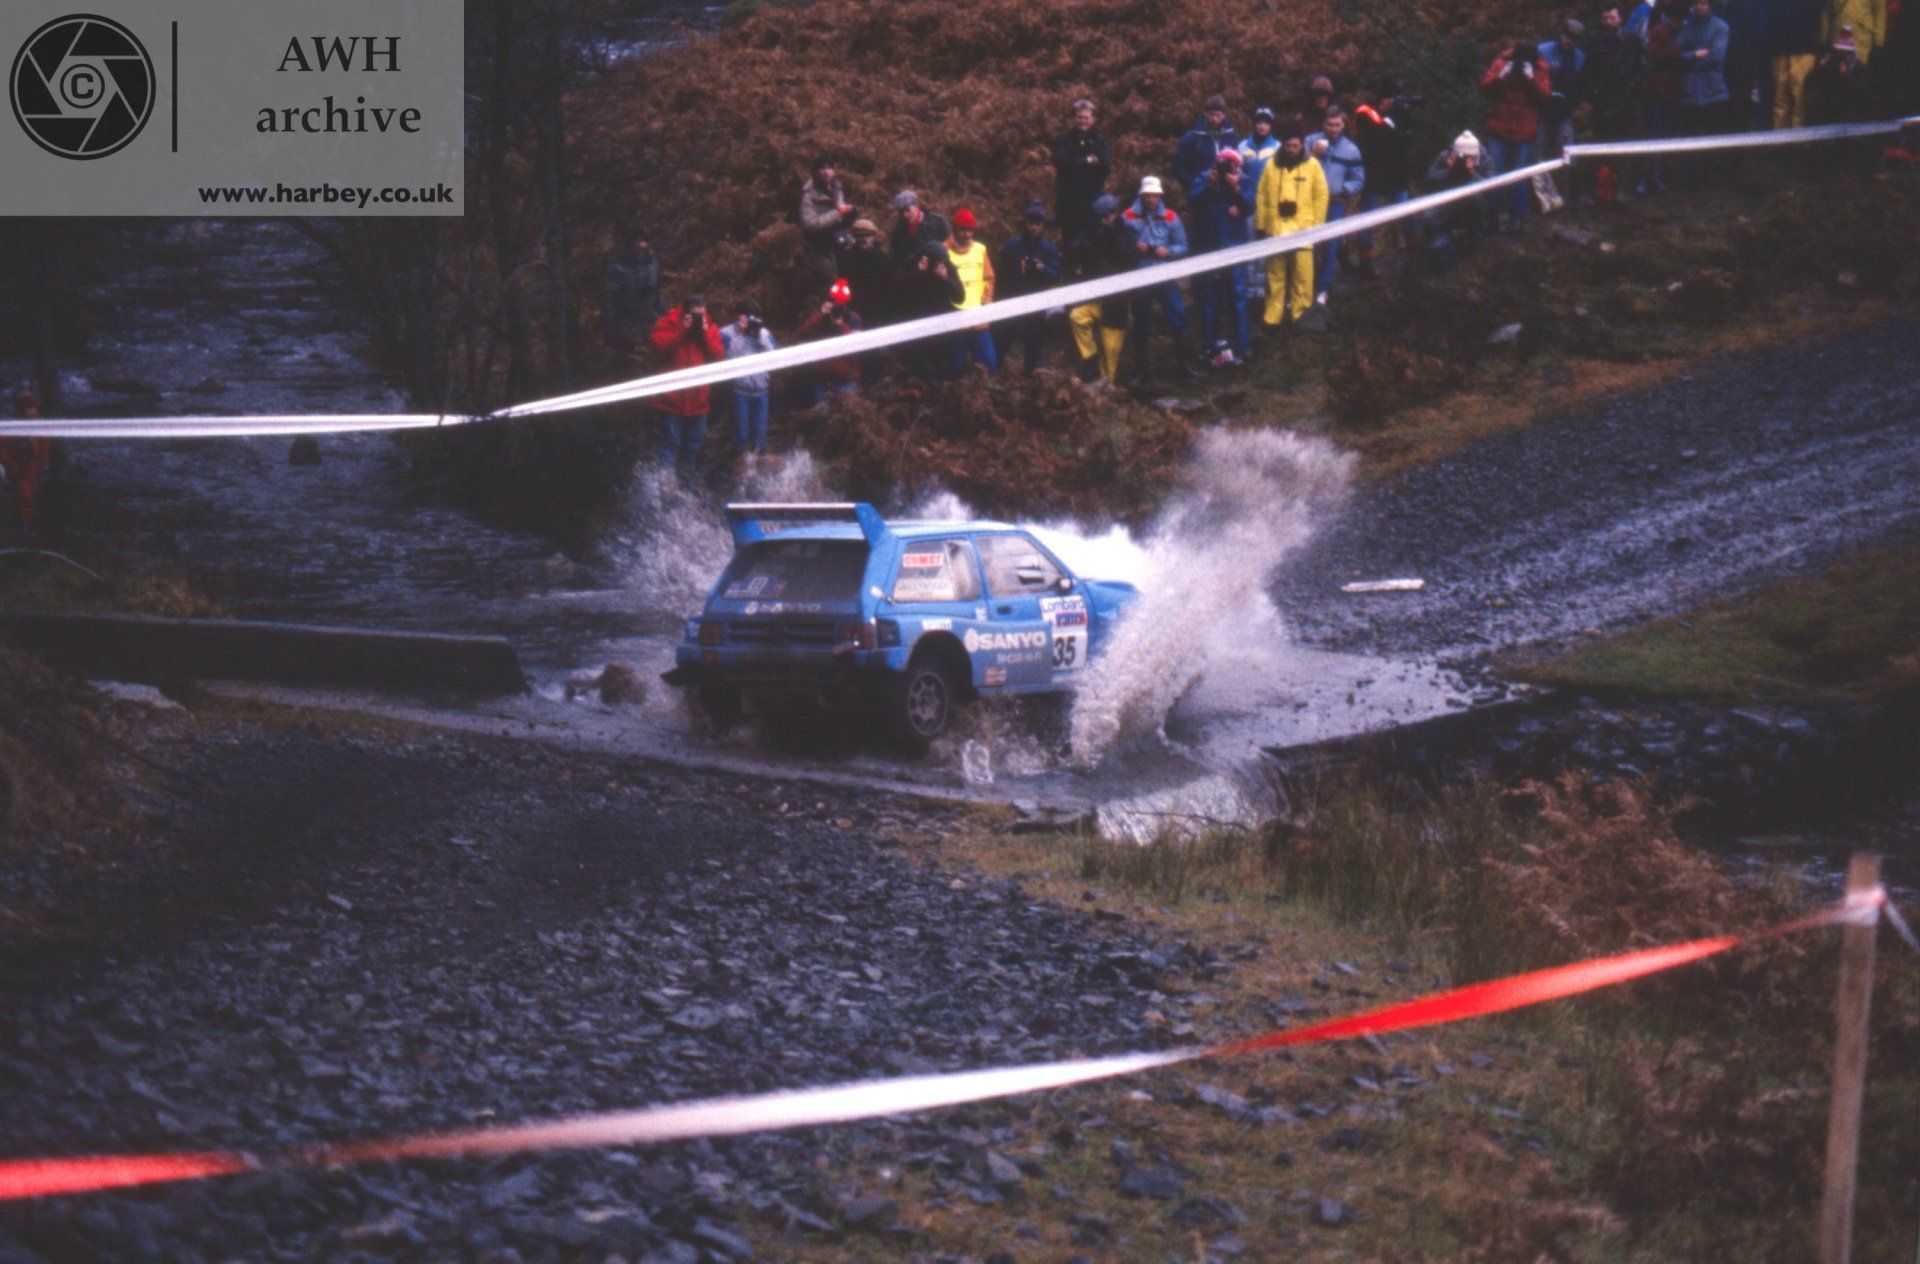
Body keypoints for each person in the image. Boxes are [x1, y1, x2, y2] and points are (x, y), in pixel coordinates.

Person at [1254, 129, 1328, 330]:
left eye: (1296, 146)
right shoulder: (1271, 164)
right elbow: (1261, 194)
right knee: (1274, 275)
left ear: (1302, 145)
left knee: (1302, 276)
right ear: (1282, 145)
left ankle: (1300, 316)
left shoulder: (1312, 165)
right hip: (1277, 229)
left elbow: (1321, 196)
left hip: (1303, 230)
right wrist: (1261, 224)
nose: (1292, 149)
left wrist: (1317, 227)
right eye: (1288, 145)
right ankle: (1272, 317)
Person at [1122, 175, 1193, 381]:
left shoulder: (1171, 216)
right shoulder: (1127, 216)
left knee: (1178, 316)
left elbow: (1183, 246)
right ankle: (1141, 370)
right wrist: (1134, 249)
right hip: (1140, 276)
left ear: (1160, 195)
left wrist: (1168, 251)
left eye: (1154, 196)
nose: (1151, 200)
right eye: (1147, 196)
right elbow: (1120, 244)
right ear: (1141, 196)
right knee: (1141, 323)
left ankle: (1183, 365)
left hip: (1164, 274)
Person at [1189, 150, 1255, 366]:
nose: (1229, 168)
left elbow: (1250, 207)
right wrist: (1211, 185)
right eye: (1224, 164)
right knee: (1210, 298)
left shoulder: (1244, 180)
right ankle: (1209, 346)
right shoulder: (1205, 177)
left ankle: (1243, 346)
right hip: (1210, 246)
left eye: (1232, 165)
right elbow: (1193, 203)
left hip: (1235, 246)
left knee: (1238, 297)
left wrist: (1235, 189)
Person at [1478, 41, 1553, 229]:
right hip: (1499, 127)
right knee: (1494, 173)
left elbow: (1545, 97)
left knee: (1520, 175)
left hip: (1525, 131)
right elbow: (1483, 88)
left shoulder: (1539, 67)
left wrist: (1531, 79)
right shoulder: (1503, 62)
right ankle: (1492, 216)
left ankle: (1516, 218)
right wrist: (1500, 77)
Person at [649, 296, 725, 473]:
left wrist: (704, 333)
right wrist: (682, 329)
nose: (699, 318)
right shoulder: (669, 321)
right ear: (685, 312)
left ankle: (684, 486)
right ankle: (665, 487)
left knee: (693, 446)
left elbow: (719, 356)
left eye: (702, 314)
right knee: (669, 447)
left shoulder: (710, 325)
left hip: (698, 399)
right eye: (695, 315)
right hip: (671, 398)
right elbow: (659, 346)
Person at [1065, 194, 1136, 386]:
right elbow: (1074, 251)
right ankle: (1090, 362)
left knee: (1110, 350)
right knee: (1077, 317)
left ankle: (1106, 389)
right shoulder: (1092, 231)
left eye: (1107, 215)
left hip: (1116, 301)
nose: (1104, 219)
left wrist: (1112, 237)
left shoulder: (1127, 231)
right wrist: (1091, 236)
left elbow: (1131, 258)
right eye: (1101, 216)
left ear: (1115, 213)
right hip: (1094, 296)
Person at [1350, 84, 1418, 275]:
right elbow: (1379, 137)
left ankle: (1414, 251)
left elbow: (1404, 141)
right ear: (1384, 100)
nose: (1398, 102)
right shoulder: (1365, 112)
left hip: (1395, 174)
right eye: (1395, 99)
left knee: (1406, 210)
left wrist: (1403, 115)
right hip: (1373, 174)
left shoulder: (1398, 115)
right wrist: (1394, 116)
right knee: (1367, 216)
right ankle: (1365, 259)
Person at [995, 200, 1064, 372]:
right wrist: (999, 297)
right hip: (1014, 300)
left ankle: (1029, 375)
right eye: (1031, 223)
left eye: (1038, 224)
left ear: (1042, 226)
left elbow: (1055, 275)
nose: (1034, 228)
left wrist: (1042, 269)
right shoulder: (1012, 246)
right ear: (1025, 223)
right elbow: (1001, 273)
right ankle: (995, 370)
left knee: (1034, 343)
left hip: (1036, 302)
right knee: (1003, 337)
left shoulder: (1048, 249)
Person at [1306, 107, 1365, 297]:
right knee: (1308, 246)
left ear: (1343, 124)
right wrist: (1313, 154)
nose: (1333, 129)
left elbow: (1358, 179)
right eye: (1330, 125)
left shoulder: (1351, 149)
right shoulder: (1310, 141)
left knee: (1331, 246)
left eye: (1337, 125)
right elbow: (1296, 167)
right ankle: (1306, 288)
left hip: (1334, 203)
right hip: (1309, 202)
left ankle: (1324, 289)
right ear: (1324, 124)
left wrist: (1344, 190)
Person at [890, 241, 965, 381]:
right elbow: (896, 290)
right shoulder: (912, 262)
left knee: (951, 362)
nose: (939, 263)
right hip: (917, 321)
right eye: (937, 261)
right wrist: (918, 273)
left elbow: (960, 297)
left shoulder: (946, 265)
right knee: (924, 366)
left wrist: (945, 279)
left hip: (942, 323)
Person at [1420, 132, 1491, 268]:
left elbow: (1490, 188)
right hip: (1447, 201)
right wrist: (1447, 170)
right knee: (1429, 216)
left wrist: (1472, 173)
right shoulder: (1445, 156)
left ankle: (1473, 239)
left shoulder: (1485, 159)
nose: (1465, 160)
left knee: (1477, 200)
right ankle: (1439, 241)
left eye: (1470, 157)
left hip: (1474, 203)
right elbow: (1428, 182)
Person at [1051, 99, 1113, 249]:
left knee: (1093, 243)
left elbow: (1105, 166)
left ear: (1093, 119)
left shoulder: (1099, 140)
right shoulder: (1065, 139)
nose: (1083, 121)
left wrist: (1076, 163)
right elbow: (1060, 162)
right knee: (1070, 244)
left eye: (1086, 118)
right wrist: (1087, 160)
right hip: (1069, 201)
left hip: (1093, 200)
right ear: (1074, 119)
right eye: (1079, 117)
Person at [838, 218, 893, 385]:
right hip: (856, 313)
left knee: (879, 352)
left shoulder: (883, 259)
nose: (863, 239)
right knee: (860, 353)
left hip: (878, 313)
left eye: (867, 235)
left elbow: (890, 289)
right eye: (859, 235)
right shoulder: (847, 260)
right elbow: (842, 286)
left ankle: (877, 385)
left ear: (874, 237)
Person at [1640, 0, 1687, 191]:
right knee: (1654, 134)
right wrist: (1677, 52)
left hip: (1679, 90)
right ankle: (1647, 177)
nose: (1677, 22)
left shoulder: (1685, 30)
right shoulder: (1658, 31)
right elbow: (1653, 54)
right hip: (1658, 90)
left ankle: (1666, 176)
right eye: (1675, 18)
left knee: (1672, 134)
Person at [720, 300, 778, 456]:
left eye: (751, 317)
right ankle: (739, 467)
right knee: (741, 436)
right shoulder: (726, 333)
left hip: (761, 391)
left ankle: (758, 467)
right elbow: (725, 360)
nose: (747, 320)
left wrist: (758, 335)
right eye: (744, 316)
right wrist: (741, 335)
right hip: (740, 391)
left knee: (760, 437)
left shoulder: (764, 333)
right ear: (737, 316)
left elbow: (775, 357)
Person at [944, 208, 998, 376]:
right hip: (955, 318)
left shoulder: (980, 249)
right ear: (955, 230)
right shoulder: (943, 250)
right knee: (956, 366)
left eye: (970, 231)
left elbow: (989, 278)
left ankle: (985, 394)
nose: (967, 235)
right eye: (963, 231)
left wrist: (986, 301)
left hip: (978, 318)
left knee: (988, 363)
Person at [1237, 107, 1283, 297]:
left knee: (1266, 249)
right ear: (1254, 124)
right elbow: (1237, 175)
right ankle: (1249, 293)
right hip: (1248, 206)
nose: (1262, 126)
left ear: (1271, 125)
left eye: (1266, 122)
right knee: (1249, 248)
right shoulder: (1242, 147)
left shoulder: (1278, 147)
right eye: (1259, 122)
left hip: (1270, 207)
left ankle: (1264, 293)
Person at [1763, 0, 1831, 125]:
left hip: (1801, 46)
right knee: (1782, 99)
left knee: (1800, 99)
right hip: (1782, 46)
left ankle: (1798, 140)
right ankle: (1782, 140)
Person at [797, 279, 864, 402]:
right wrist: (820, 314)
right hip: (822, 378)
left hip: (844, 378)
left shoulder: (854, 319)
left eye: (840, 305)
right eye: (835, 303)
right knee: (822, 416)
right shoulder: (821, 317)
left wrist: (841, 325)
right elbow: (802, 332)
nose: (837, 308)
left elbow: (856, 346)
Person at [600, 227, 664, 354]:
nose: (641, 245)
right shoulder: (617, 268)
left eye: (644, 241)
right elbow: (608, 300)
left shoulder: (652, 265)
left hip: (651, 321)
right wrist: (609, 328)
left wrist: (664, 316)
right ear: (630, 243)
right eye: (638, 241)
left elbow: (658, 293)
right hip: (626, 326)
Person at [0, 385, 53, 537]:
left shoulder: (39, 424)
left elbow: (45, 444)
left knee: (29, 493)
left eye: (32, 408)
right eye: (27, 408)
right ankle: (24, 523)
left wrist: (39, 463)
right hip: (16, 464)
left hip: (33, 464)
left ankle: (27, 522)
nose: (31, 411)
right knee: (23, 492)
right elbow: (3, 446)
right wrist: (9, 464)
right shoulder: (12, 424)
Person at [1677, 0, 1733, 140]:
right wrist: (1694, 55)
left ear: (1709, 5)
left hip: (1714, 91)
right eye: (1695, 3)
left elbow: (1716, 56)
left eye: (1702, 3)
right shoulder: (1685, 28)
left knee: (1716, 137)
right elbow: (1677, 57)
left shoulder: (1721, 27)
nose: (1699, 7)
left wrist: (1689, 59)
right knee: (1692, 139)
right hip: (1690, 93)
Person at [1537, 19, 1589, 165]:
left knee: (1568, 154)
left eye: (1574, 38)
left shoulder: (1580, 58)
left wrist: (1570, 108)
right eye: (1567, 36)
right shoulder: (1543, 51)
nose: (1569, 41)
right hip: (1542, 109)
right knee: (1538, 153)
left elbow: (1580, 86)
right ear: (1562, 34)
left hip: (1565, 111)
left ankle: (1565, 185)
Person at [798, 154, 856, 283]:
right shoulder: (808, 196)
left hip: (841, 245)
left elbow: (842, 221)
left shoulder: (837, 189)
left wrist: (850, 214)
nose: (826, 172)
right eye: (822, 169)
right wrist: (837, 213)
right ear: (815, 172)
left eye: (829, 168)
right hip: (820, 251)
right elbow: (809, 225)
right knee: (828, 289)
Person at [1175, 94, 1240, 198]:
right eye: (1211, 114)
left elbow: (1238, 165)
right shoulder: (1192, 137)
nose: (1214, 119)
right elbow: (1178, 166)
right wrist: (1194, 184)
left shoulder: (1231, 137)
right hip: (1201, 193)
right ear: (1205, 114)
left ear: (1224, 115)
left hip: (1226, 193)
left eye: (1218, 115)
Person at [1806, 26, 1877, 119]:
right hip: (1831, 115)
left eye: (1846, 53)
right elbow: (1808, 84)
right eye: (1840, 52)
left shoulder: (1861, 69)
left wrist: (1847, 75)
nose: (1843, 56)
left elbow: (1864, 95)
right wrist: (1819, 67)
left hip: (1853, 116)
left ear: (1852, 53)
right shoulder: (1832, 66)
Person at [889, 190, 951, 271]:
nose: (905, 215)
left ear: (917, 206)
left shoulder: (938, 223)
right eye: (901, 212)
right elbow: (897, 263)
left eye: (908, 210)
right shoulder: (897, 233)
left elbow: (950, 251)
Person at [1822, 0, 1887, 59]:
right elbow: (1826, 12)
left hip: (1860, 42)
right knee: (1836, 66)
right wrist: (1823, 37)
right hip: (1836, 38)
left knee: (1855, 68)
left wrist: (1878, 41)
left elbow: (1879, 12)